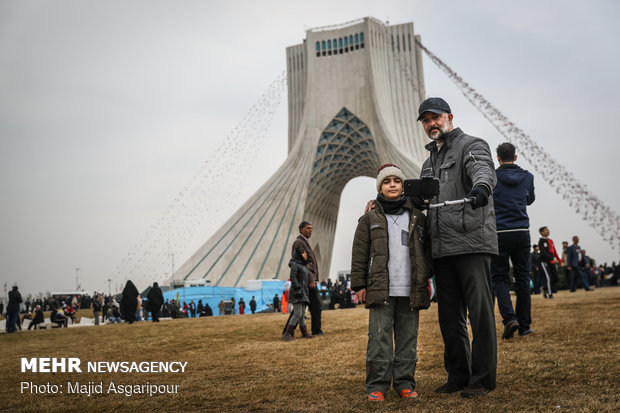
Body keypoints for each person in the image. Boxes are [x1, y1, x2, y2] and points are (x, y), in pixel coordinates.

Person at [415, 97, 499, 397]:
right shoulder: (429, 163)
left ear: (449, 117)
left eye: (435, 117)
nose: (431, 124)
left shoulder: (471, 145)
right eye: (425, 120)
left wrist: (481, 188)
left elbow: (483, 171)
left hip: (472, 242)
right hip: (442, 248)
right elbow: (422, 200)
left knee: (480, 314)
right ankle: (458, 375)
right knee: (449, 317)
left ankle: (483, 377)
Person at [352, 164, 432, 401]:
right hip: (381, 289)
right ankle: (377, 385)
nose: (393, 185)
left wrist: (425, 275)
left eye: (397, 180)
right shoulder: (368, 219)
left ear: (403, 185)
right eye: (387, 182)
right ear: (380, 187)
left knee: (408, 337)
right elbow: (359, 254)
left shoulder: (417, 217)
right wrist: (359, 286)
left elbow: (427, 250)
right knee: (380, 338)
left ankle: (405, 382)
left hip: (410, 289)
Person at [490, 142, 535, 339]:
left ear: (497, 158)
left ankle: (510, 319)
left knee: (499, 277)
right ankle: (524, 325)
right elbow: (529, 200)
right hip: (521, 230)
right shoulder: (527, 177)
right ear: (515, 157)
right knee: (523, 277)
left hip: (499, 232)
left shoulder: (492, 177)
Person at [292, 221, 324, 335]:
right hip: (306, 280)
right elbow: (304, 264)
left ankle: (288, 331)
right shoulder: (299, 243)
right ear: (301, 229)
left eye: (311, 228)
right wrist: (311, 279)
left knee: (302, 307)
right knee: (314, 306)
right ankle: (316, 330)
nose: (310, 230)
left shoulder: (304, 242)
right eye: (307, 228)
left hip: (307, 279)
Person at [282, 250, 314, 341]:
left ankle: (304, 333)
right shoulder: (295, 265)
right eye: (304, 253)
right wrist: (298, 288)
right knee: (297, 314)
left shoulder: (303, 265)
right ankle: (287, 333)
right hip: (297, 293)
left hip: (303, 293)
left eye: (306, 253)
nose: (306, 255)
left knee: (302, 314)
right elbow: (293, 277)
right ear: (299, 255)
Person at [538, 226, 562, 298]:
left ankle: (544, 288)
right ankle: (550, 294)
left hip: (551, 261)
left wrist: (559, 260)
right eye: (546, 230)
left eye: (548, 230)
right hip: (544, 262)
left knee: (555, 278)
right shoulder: (541, 241)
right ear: (542, 232)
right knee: (548, 278)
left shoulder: (550, 241)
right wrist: (551, 258)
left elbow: (554, 251)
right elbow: (543, 252)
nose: (548, 231)